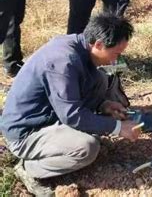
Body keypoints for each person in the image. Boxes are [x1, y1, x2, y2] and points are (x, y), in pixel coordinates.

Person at [0, 12, 140, 196]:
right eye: (116, 54)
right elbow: (72, 114)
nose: (116, 60)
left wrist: (103, 105)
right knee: (87, 148)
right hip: (28, 132)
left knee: (100, 79)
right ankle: (30, 169)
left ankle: (71, 135)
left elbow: (80, 94)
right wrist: (117, 127)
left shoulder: (80, 45)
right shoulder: (63, 62)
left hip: (51, 114)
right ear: (98, 44)